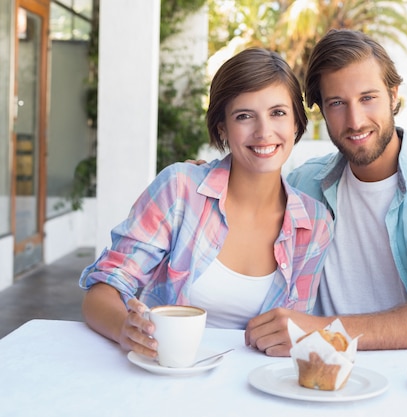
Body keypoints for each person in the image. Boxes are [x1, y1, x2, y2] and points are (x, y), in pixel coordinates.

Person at [244, 29, 407, 356]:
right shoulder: (301, 186)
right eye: (337, 103)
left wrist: (324, 333)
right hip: (322, 374)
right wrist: (209, 175)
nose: (355, 120)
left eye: (368, 98)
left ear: (393, 96)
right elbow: (237, 213)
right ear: (321, 110)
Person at [79, 48, 334, 359]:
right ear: (222, 128)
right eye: (244, 116)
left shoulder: (314, 223)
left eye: (278, 113)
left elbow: (290, 334)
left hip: (256, 385)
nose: (264, 131)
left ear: (296, 123)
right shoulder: (180, 189)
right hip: (165, 373)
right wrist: (125, 329)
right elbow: (102, 291)